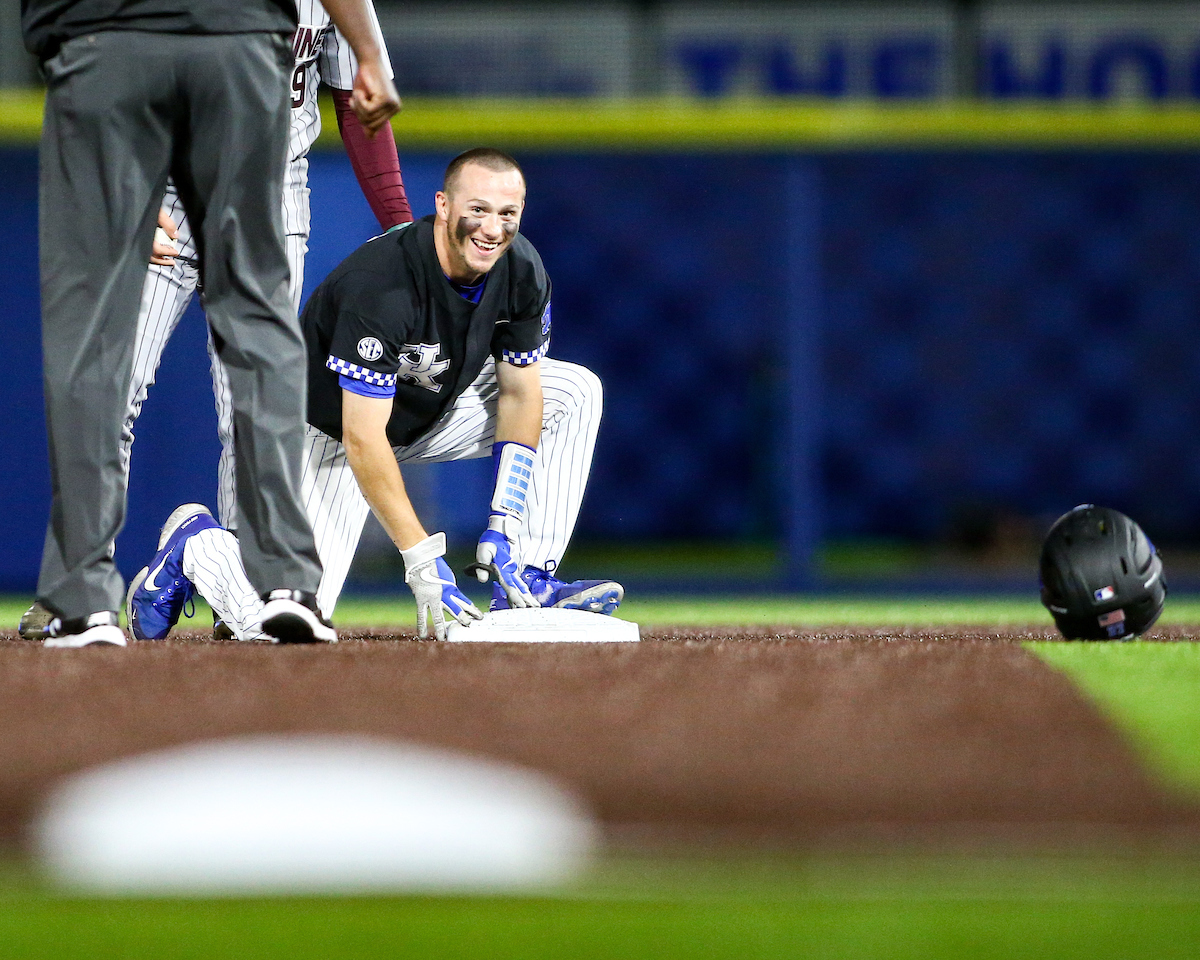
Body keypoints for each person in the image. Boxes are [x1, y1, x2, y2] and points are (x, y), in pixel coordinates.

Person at [18, 0, 412, 643]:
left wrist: (399, 227)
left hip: (271, 185)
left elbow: (353, 99)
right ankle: (77, 585)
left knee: (253, 401)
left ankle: (246, 589)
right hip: (159, 184)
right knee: (115, 386)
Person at [126, 148, 623, 642]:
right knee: (286, 626)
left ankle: (529, 576)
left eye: (506, 213)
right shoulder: (382, 285)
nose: (492, 228)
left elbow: (520, 395)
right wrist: (421, 559)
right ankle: (198, 547)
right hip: (328, 433)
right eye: (477, 209)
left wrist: (504, 519)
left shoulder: (521, 270)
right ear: (443, 206)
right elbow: (362, 436)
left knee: (574, 390)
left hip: (429, 410)